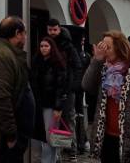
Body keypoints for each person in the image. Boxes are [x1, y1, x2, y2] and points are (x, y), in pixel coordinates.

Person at [82, 30, 130, 163]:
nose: (104, 51)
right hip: (106, 137)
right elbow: (87, 86)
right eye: (102, 47)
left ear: (120, 49)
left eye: (108, 48)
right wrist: (96, 60)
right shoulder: (103, 70)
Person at [0, 16, 35, 163]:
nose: (26, 37)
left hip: (12, 135)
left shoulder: (9, 53)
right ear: (17, 33)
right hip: (5, 139)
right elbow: (0, 99)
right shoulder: (2, 56)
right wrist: (10, 135)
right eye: (25, 33)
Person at [46, 19, 82, 160]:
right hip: (51, 90)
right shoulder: (46, 44)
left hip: (67, 90)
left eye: (55, 29)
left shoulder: (67, 46)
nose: (52, 32)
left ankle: (71, 151)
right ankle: (58, 153)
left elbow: (78, 66)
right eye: (50, 30)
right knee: (54, 121)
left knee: (68, 120)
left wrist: (73, 86)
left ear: (59, 29)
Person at [31, 36, 68, 163]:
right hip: (38, 104)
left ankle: (49, 160)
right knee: (37, 137)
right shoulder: (36, 62)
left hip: (51, 105)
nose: (43, 48)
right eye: (41, 46)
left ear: (52, 48)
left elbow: (60, 87)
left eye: (46, 46)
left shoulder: (57, 64)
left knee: (50, 136)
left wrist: (58, 107)